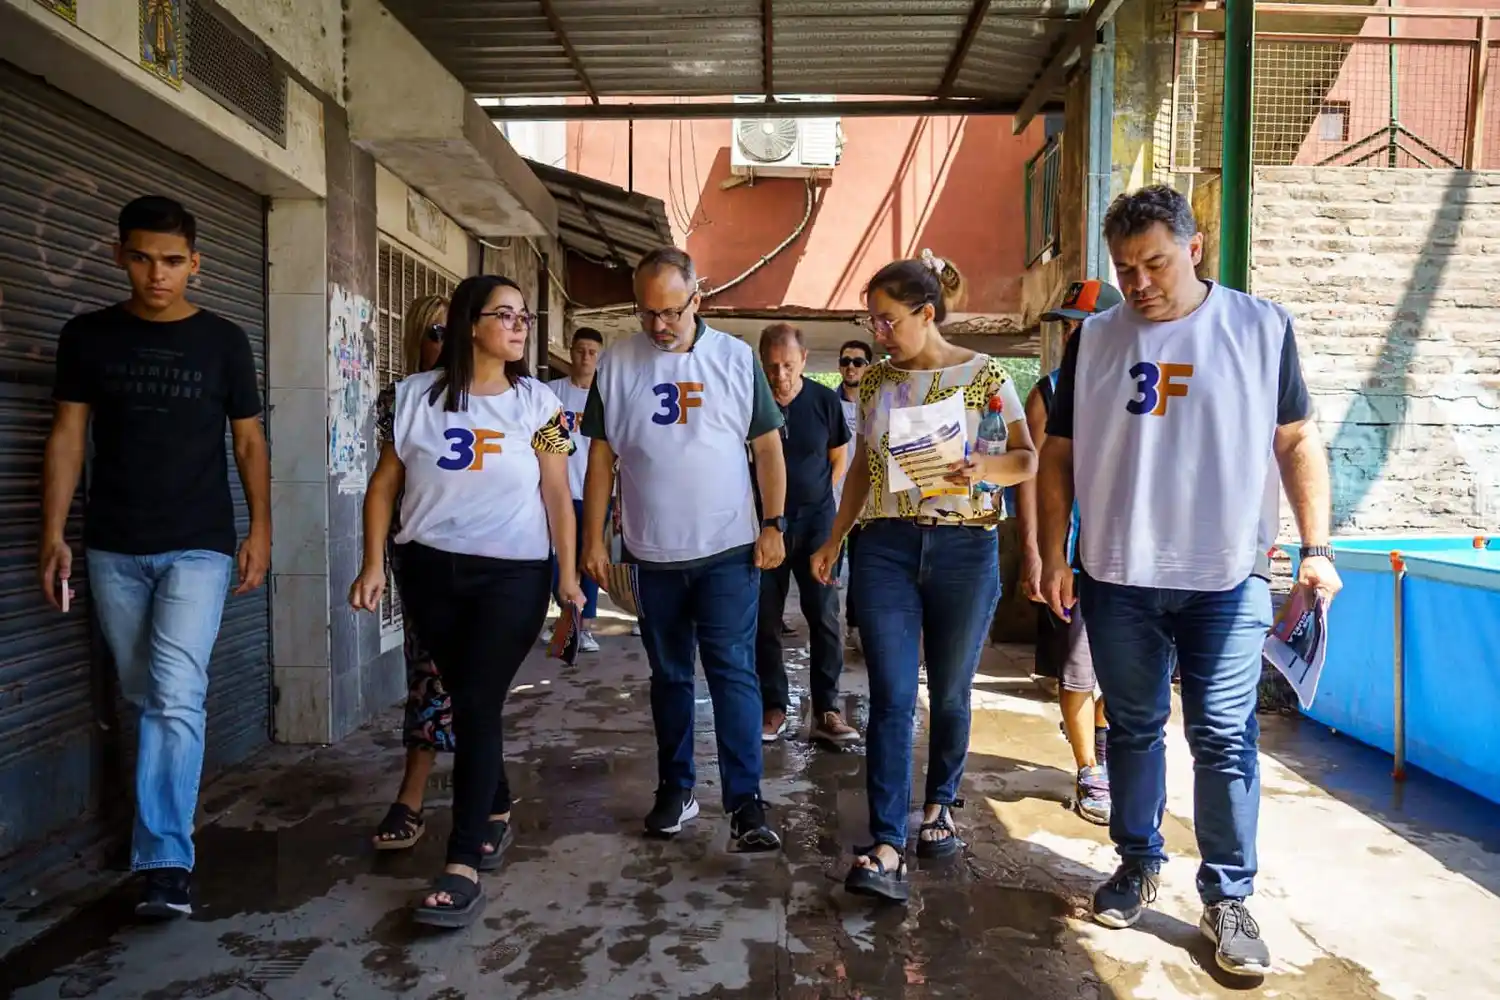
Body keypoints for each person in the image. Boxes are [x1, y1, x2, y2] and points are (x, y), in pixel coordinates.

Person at [1037, 185, 1341, 977]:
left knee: (1224, 736)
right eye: (1125, 268)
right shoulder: (1096, 341)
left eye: (1156, 264)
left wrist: (1317, 546)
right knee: (1132, 730)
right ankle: (1138, 862)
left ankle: (1229, 895)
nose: (1140, 283)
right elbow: (1058, 457)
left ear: (1195, 247)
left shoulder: (1258, 327)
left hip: (1225, 575)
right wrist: (1049, 553)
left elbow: (1297, 440)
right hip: (1118, 574)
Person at [38, 195, 271, 919]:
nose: (156, 274)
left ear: (195, 265)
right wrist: (53, 533)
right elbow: (69, 436)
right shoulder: (88, 337)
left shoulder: (224, 341)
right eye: (142, 257)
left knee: (173, 695)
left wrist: (259, 528)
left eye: (171, 261)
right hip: (113, 545)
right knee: (146, 694)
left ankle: (165, 861)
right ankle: (153, 834)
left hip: (198, 545)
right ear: (120, 256)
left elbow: (249, 442)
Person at [350, 275, 582, 929]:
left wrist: (568, 576)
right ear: (468, 325)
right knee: (465, 698)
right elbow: (383, 485)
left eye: (523, 315)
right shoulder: (413, 398)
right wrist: (373, 563)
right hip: (428, 572)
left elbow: (558, 492)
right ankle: (498, 806)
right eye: (503, 314)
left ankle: (461, 864)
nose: (519, 325)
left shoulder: (541, 406)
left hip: (512, 577)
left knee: (477, 702)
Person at [810, 251, 1038, 903]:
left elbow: (1022, 458)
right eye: (871, 322)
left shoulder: (984, 376)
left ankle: (939, 806)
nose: (876, 334)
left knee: (952, 690)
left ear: (925, 313)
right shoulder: (877, 385)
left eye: (886, 322)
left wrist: (980, 468)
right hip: (885, 548)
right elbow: (859, 471)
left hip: (965, 550)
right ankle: (885, 842)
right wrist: (833, 540)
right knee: (889, 693)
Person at [579, 246, 787, 851]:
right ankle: (676, 788)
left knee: (731, 673)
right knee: (669, 675)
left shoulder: (734, 359)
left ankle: (746, 802)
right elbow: (600, 460)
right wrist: (594, 540)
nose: (659, 325)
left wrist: (773, 523)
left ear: (698, 297)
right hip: (652, 554)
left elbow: (768, 448)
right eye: (647, 313)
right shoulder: (617, 364)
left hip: (728, 549)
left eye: (671, 311)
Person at [1015, 279, 1124, 827]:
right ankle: (1088, 769)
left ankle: (1103, 749)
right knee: (1079, 670)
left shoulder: (1131, 384)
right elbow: (1033, 479)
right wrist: (1036, 553)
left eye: (1085, 322)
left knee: (1124, 672)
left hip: (1130, 557)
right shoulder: (1050, 392)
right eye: (1070, 323)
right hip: (1076, 556)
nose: (1074, 333)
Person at [371, 294, 452, 851]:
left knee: (479, 681)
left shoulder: (520, 398)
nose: (447, 343)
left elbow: (556, 461)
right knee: (428, 672)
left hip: (501, 563)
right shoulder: (401, 401)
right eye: (436, 332)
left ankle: (488, 803)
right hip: (424, 558)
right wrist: (371, 559)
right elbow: (384, 483)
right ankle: (412, 796)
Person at [754, 323, 857, 745]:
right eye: (773, 366)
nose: (780, 375)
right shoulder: (751, 399)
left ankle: (827, 709)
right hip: (763, 527)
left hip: (817, 525)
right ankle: (774, 706)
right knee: (764, 622)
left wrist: (821, 503)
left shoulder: (823, 401)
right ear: (762, 364)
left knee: (825, 618)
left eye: (789, 365)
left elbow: (839, 456)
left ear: (805, 360)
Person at [547, 327, 606, 652]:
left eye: (592, 352)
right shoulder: (552, 393)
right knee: (557, 558)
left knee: (591, 558)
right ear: (570, 352)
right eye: (580, 350)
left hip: (595, 492)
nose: (585, 357)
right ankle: (566, 616)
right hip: (560, 491)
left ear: (599, 358)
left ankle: (585, 626)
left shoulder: (605, 397)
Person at [832, 339, 872, 650]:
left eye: (858, 362)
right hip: (830, 501)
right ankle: (827, 623)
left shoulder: (878, 404)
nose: (851, 366)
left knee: (862, 569)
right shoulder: (827, 403)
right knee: (828, 565)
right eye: (846, 361)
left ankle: (856, 626)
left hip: (868, 504)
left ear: (868, 366)